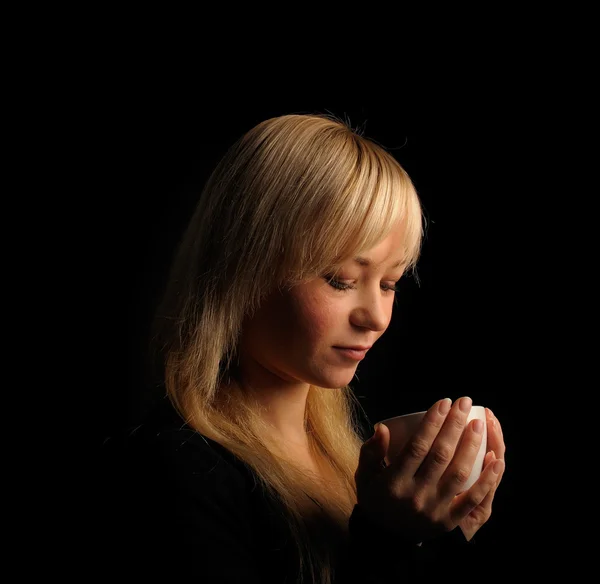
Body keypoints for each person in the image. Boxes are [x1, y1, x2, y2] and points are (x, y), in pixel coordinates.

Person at [96, 113, 506, 583]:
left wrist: (440, 541)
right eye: (340, 280)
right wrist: (389, 542)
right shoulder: (171, 475)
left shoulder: (352, 461)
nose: (375, 317)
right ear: (244, 266)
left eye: (390, 283)